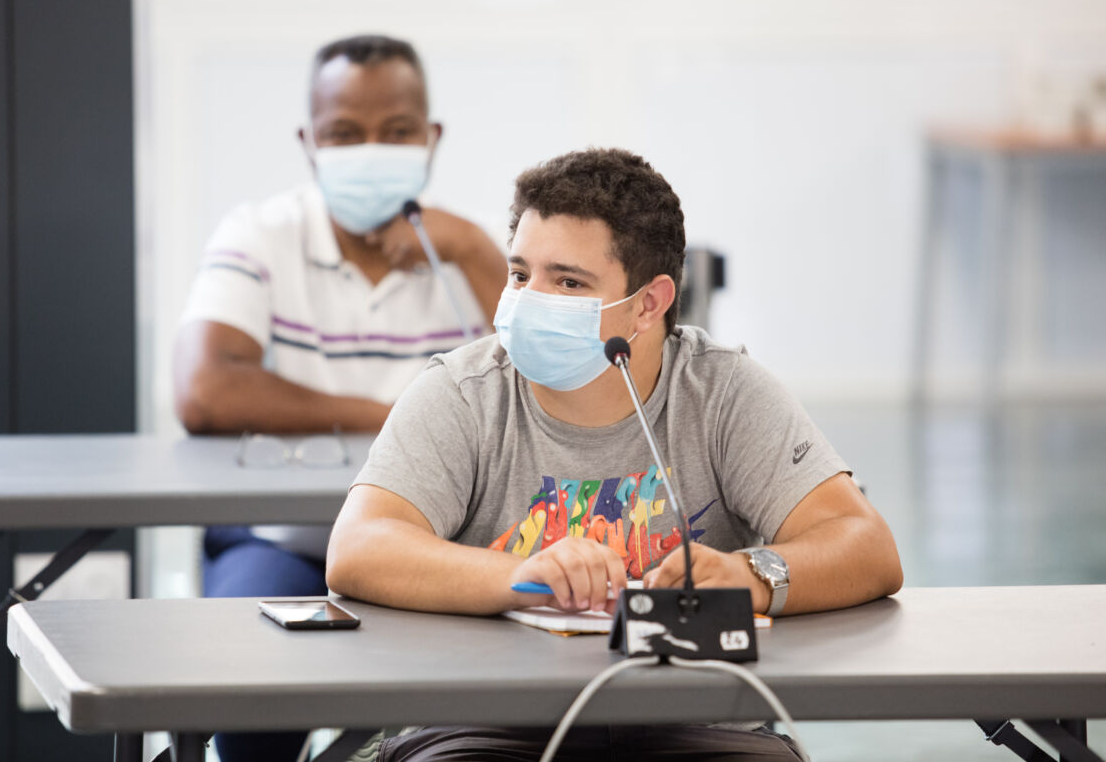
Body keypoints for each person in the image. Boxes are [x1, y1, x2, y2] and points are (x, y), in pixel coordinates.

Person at [327, 147, 903, 761]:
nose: (528, 300)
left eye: (568, 282)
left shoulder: (723, 390)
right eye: (520, 274)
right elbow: (359, 547)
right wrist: (523, 576)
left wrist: (752, 576)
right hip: (487, 726)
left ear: (649, 303)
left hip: (698, 724)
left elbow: (866, 545)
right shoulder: (464, 391)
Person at [173, 35, 507, 761]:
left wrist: (476, 252)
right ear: (309, 143)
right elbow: (205, 390)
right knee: (251, 704)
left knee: (484, 722)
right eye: (345, 134)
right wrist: (402, 423)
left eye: (396, 131)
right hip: (283, 542)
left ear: (431, 138)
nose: (371, 151)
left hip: (438, 552)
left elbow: (552, 385)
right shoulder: (260, 234)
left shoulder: (475, 250)